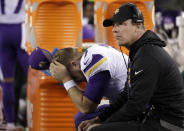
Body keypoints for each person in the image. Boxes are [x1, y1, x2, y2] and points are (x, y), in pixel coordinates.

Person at [78, 3, 184, 131]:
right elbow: (126, 95)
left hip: (168, 125)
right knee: (85, 121)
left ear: (138, 25)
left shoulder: (148, 55)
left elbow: (135, 106)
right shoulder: (140, 52)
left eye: (121, 24)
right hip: (155, 119)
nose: (114, 29)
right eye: (114, 25)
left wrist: (102, 125)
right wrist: (99, 119)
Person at [48, 44, 128, 128]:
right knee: (82, 118)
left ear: (74, 64)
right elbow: (87, 97)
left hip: (136, 108)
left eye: (74, 78)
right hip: (127, 102)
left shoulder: (93, 62)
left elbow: (87, 108)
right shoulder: (92, 52)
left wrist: (66, 79)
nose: (77, 81)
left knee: (82, 119)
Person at [0, 0, 28, 130]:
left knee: (7, 81)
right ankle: (37, 119)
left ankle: (10, 122)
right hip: (21, 28)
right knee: (33, 78)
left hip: (2, 30)